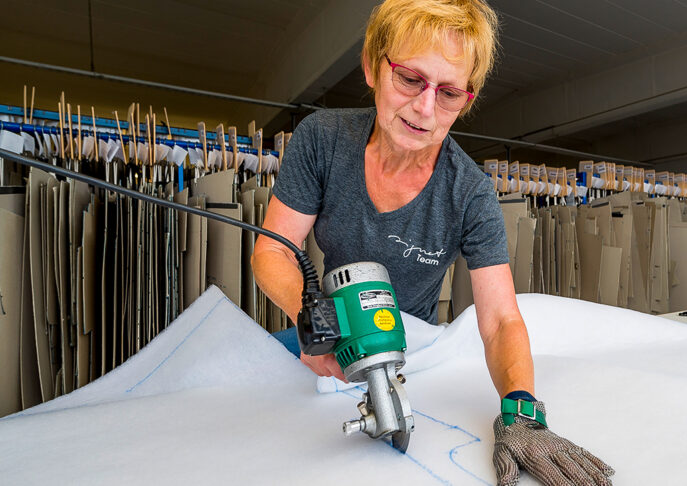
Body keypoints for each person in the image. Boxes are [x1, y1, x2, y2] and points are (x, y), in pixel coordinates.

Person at [252, 1, 614, 484]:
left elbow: (501, 318)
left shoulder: (469, 192)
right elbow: (273, 249)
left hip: (412, 346)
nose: (425, 109)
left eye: (448, 93)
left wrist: (522, 410)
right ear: (372, 66)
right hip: (325, 329)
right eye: (410, 79)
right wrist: (313, 320)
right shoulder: (322, 139)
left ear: (467, 99)